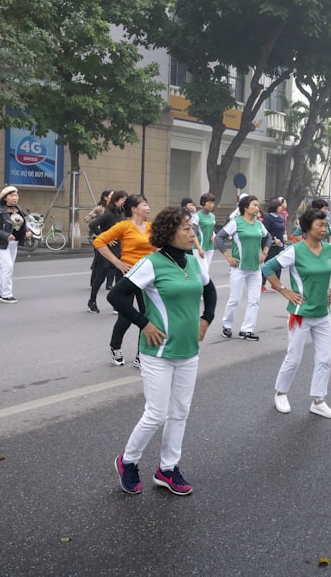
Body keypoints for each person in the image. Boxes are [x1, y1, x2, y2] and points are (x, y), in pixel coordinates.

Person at [110, 207, 216, 496]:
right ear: (170, 233)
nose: (193, 233)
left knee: (180, 412)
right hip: (157, 353)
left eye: (193, 228)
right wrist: (143, 324)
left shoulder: (193, 262)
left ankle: (167, 469)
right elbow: (116, 295)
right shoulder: (151, 263)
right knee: (156, 414)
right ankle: (128, 461)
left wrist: (207, 319)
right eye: (186, 229)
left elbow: (210, 291)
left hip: (188, 352)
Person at [263, 208, 331, 419]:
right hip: (301, 314)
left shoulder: (329, 249)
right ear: (307, 228)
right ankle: (281, 393)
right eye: (319, 225)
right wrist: (283, 290)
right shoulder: (295, 250)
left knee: (325, 358)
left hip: (323, 313)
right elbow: (267, 268)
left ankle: (318, 400)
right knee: (294, 358)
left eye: (325, 224)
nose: (324, 228)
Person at [94, 195, 154, 367]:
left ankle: (140, 354)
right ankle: (115, 347)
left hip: (147, 277)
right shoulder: (123, 226)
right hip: (128, 275)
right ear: (134, 209)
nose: (148, 208)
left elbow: (158, 248)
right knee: (126, 316)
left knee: (147, 315)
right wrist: (117, 262)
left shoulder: (151, 227)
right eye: (144, 204)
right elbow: (99, 242)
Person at [216, 194, 269, 341]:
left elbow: (268, 237)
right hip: (239, 267)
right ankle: (227, 325)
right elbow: (219, 237)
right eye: (254, 205)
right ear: (245, 207)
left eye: (258, 205)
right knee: (235, 299)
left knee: (254, 300)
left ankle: (247, 329)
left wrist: (264, 253)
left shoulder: (259, 224)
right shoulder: (236, 222)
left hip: (255, 269)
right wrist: (228, 257)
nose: (257, 208)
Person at [0, 186, 31, 303]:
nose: (14, 198)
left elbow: (22, 224)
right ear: (4, 198)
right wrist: (5, 235)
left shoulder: (19, 210)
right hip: (1, 242)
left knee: (5, 267)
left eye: (16, 195)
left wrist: (26, 232)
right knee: (8, 266)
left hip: (14, 243)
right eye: (11, 195)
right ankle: (6, 294)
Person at [87, 190, 128, 313]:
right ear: (116, 201)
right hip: (106, 250)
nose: (124, 202)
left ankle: (117, 304)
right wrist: (105, 237)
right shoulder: (108, 213)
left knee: (120, 277)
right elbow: (93, 225)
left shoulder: (123, 214)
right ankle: (92, 301)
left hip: (119, 250)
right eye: (123, 200)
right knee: (101, 277)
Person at [261, 198, 287, 291]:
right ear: (274, 207)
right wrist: (273, 239)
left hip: (279, 245)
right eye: (279, 206)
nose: (281, 208)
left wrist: (284, 235)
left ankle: (276, 284)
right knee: (269, 264)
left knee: (279, 264)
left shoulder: (279, 217)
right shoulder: (268, 218)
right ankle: (262, 284)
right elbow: (265, 231)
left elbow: (282, 229)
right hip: (270, 245)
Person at [194, 193, 217, 278]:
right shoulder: (197, 216)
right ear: (203, 202)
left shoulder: (212, 216)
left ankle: (200, 289)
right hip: (199, 248)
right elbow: (194, 233)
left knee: (205, 271)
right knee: (203, 272)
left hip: (210, 247)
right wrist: (199, 248)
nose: (212, 205)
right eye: (209, 202)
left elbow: (212, 230)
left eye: (213, 203)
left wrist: (214, 235)